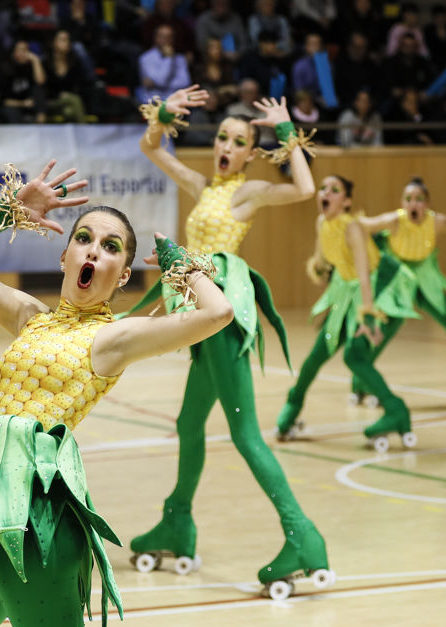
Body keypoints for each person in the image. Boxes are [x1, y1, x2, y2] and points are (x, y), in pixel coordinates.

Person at [0, 158, 233, 627]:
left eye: (111, 248)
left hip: (37, 518)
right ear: (66, 254)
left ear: (123, 276)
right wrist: (9, 212)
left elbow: (217, 314)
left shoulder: (113, 338)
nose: (95, 250)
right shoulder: (28, 316)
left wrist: (182, 265)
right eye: (85, 239)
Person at [132, 87, 331, 590]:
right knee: (188, 422)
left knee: (245, 436)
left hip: (222, 313)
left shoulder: (249, 192)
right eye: (222, 136)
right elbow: (152, 148)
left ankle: (302, 535)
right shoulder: (204, 187)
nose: (226, 146)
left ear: (249, 152)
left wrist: (286, 133)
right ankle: (177, 522)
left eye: (239, 141)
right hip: (200, 318)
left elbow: (305, 188)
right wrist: (161, 115)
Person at [275, 175, 417, 450]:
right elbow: (321, 260)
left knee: (355, 356)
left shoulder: (352, 228)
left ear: (346, 201)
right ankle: (292, 406)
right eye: (323, 188)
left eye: (335, 190)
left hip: (378, 289)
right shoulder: (321, 222)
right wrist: (317, 267)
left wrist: (367, 317)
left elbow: (364, 276)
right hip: (344, 289)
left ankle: (396, 410)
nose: (326, 193)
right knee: (317, 355)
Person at [349, 177, 446, 403]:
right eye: (408, 199)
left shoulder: (435, 221)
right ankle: (362, 380)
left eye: (419, 199)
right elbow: (364, 225)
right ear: (402, 203)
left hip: (425, 276)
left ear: (427, 204)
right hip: (398, 279)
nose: (413, 204)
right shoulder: (395, 220)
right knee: (387, 328)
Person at [136, 24, 191, 105]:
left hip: (175, 102)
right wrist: (168, 58)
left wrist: (156, 84)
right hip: (152, 102)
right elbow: (161, 81)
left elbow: (185, 82)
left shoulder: (180, 59)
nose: (166, 40)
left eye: (169, 37)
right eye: (163, 37)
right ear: (156, 38)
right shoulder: (146, 58)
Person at [0, 39, 46, 124]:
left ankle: (41, 126)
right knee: (12, 112)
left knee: (39, 90)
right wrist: (23, 103)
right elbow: (3, 101)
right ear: (13, 52)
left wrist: (35, 60)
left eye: (26, 50)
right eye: (20, 50)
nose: (24, 53)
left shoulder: (31, 67)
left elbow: (40, 82)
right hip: (13, 105)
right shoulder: (6, 69)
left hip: (30, 103)